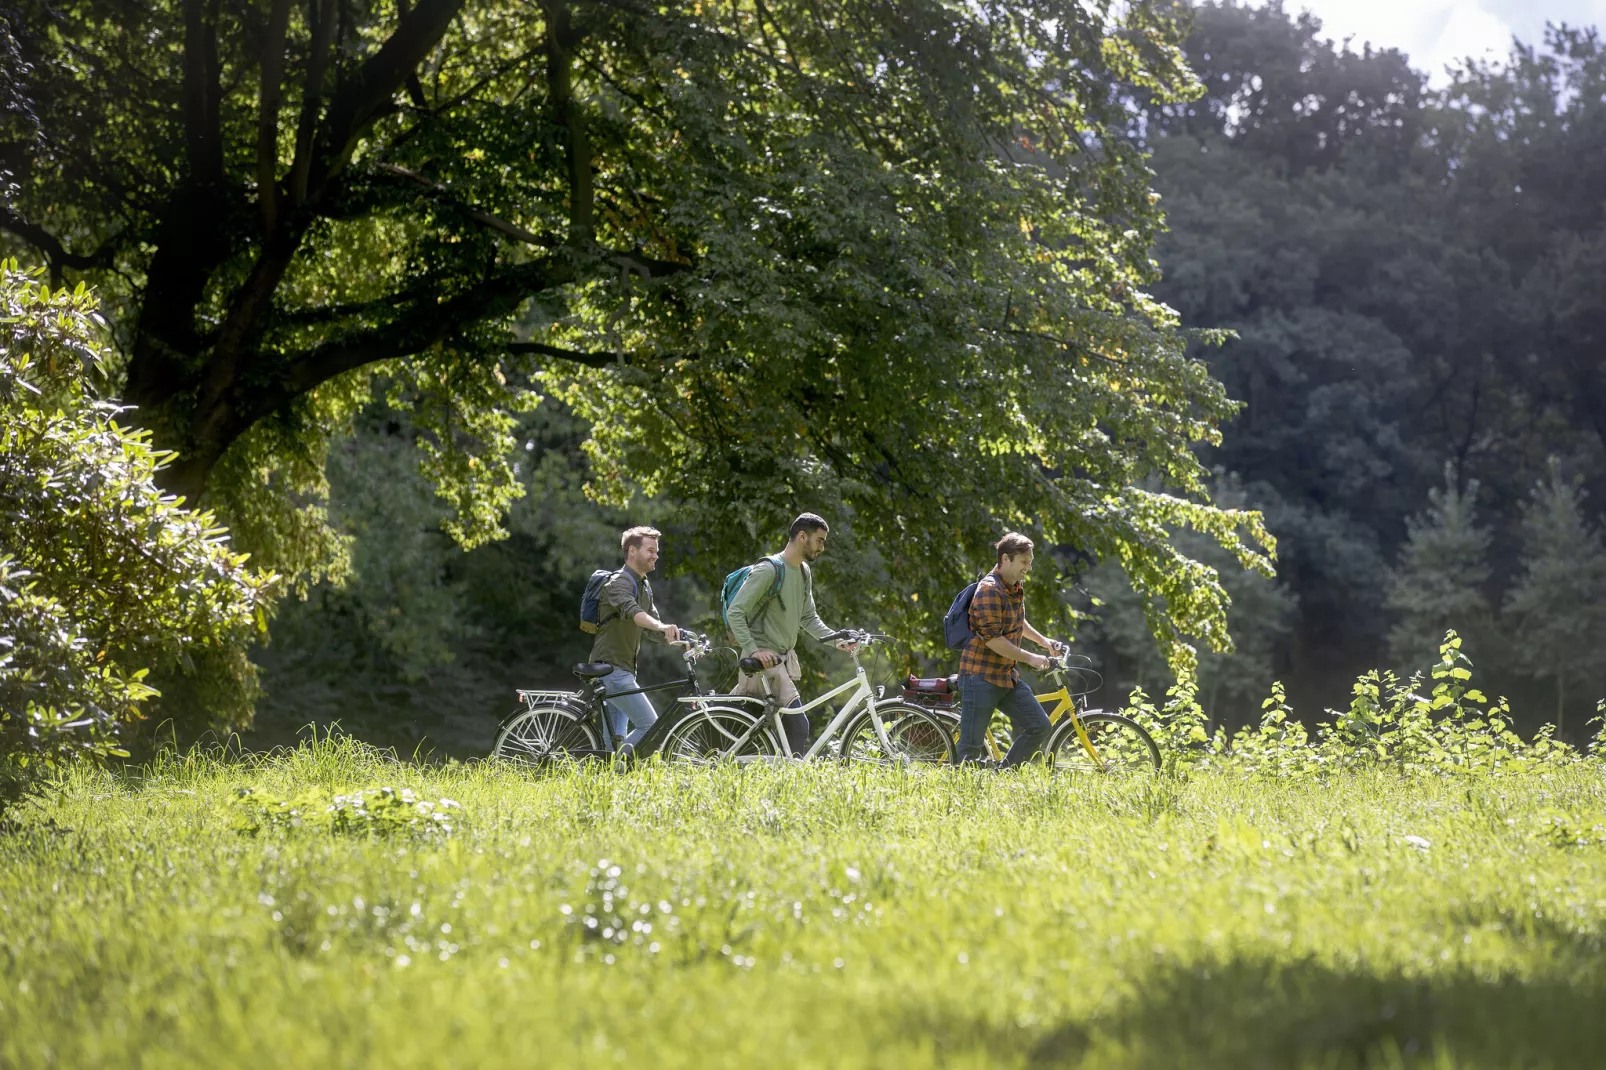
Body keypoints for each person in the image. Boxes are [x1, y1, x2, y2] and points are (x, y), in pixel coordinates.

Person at [727, 513, 858, 757]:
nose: (822, 547)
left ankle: (768, 778)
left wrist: (835, 639)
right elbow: (736, 612)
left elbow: (808, 617)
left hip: (782, 661)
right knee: (797, 726)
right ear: (802, 537)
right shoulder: (769, 570)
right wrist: (755, 649)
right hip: (762, 662)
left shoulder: (803, 572)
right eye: (819, 540)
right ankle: (791, 779)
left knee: (757, 729)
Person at [954, 531, 1056, 768]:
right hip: (979, 677)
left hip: (1005, 676)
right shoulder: (989, 590)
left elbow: (1018, 622)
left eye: (1030, 562)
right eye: (1024, 562)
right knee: (969, 751)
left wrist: (1044, 642)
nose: (1028, 568)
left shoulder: (1015, 586)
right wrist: (1031, 658)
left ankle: (1004, 775)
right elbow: (993, 640)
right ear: (1005, 559)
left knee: (1039, 726)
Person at [590, 526, 681, 757]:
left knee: (613, 742)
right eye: (650, 550)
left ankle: (607, 779)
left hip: (623, 670)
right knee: (650, 725)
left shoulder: (643, 585)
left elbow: (652, 629)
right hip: (612, 670)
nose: (656, 556)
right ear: (632, 551)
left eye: (657, 552)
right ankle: (619, 765)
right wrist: (661, 626)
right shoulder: (619, 582)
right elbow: (633, 613)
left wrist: (683, 638)